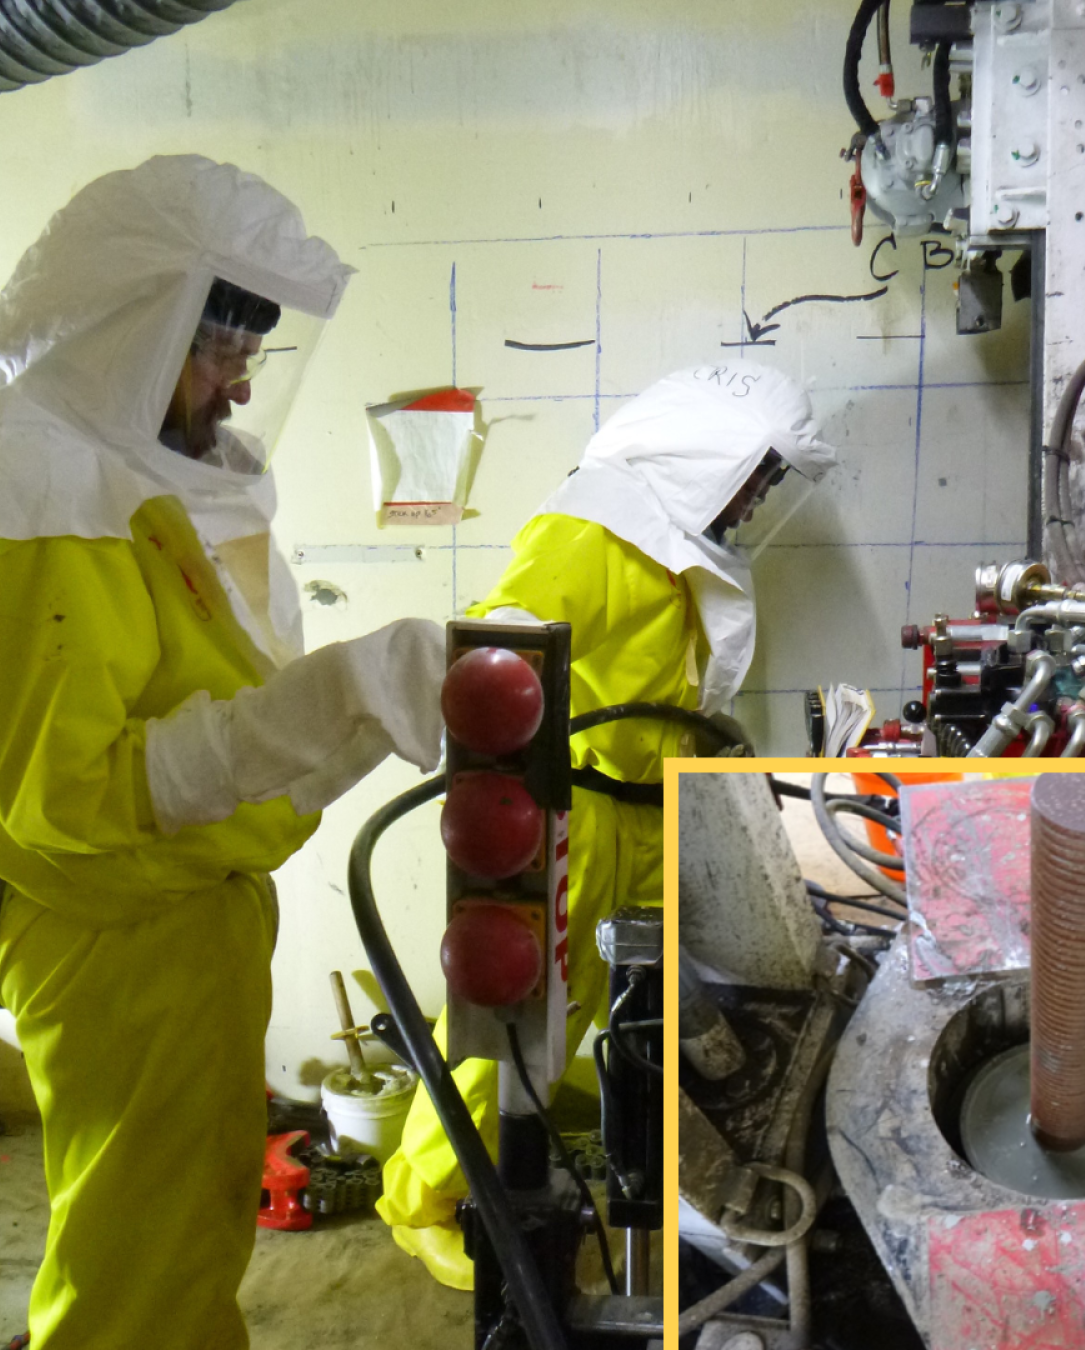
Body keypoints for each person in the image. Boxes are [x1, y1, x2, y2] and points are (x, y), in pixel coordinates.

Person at [0, 156, 445, 1350]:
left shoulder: (109, 487)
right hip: (116, 945)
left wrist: (341, 713)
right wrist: (339, 698)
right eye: (218, 350)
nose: (239, 391)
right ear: (135, 330)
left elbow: (208, 709)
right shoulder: (36, 506)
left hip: (178, 923)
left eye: (252, 350)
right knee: (136, 1271)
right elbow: (71, 793)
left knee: (180, 1241)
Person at [377, 360, 836, 1287]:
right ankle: (421, 1200)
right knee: (523, 1017)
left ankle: (662, 1193)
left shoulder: (676, 544)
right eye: (752, 479)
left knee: (669, 1003)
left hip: (648, 810)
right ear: (703, 457)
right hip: (575, 812)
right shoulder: (589, 529)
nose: (753, 502)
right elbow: (502, 639)